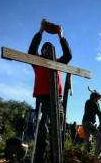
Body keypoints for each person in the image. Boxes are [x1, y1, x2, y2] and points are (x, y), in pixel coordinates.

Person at [28, 19, 72, 163]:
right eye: (44, 48)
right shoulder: (38, 62)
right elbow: (31, 51)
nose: (47, 49)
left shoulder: (58, 62)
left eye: (49, 47)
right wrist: (40, 31)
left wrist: (61, 36)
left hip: (57, 101)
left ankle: (55, 159)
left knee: (58, 132)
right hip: (42, 99)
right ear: (42, 51)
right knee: (42, 132)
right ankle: (40, 159)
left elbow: (68, 56)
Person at [82, 92, 101, 157]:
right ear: (95, 98)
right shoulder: (94, 103)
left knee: (87, 140)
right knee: (99, 136)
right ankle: (97, 156)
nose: (98, 100)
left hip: (84, 123)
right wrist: (100, 112)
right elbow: (99, 113)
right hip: (89, 123)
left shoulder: (87, 102)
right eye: (98, 99)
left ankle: (86, 155)